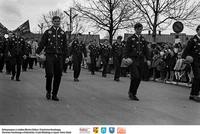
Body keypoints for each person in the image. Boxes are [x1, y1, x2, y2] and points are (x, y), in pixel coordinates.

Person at [36, 16, 68, 101]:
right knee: (49, 74)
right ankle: (48, 91)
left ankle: (55, 94)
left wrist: (67, 56)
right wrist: (37, 52)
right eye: (55, 21)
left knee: (58, 76)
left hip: (59, 56)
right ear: (52, 22)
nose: (57, 22)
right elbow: (42, 43)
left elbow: (65, 46)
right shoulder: (48, 32)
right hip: (50, 55)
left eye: (58, 21)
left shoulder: (63, 33)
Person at [124, 23, 150, 101]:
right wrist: (125, 58)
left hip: (141, 60)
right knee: (136, 76)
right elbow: (126, 49)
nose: (140, 31)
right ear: (135, 29)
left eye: (141, 29)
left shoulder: (143, 39)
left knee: (139, 78)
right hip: (133, 60)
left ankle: (132, 92)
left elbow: (147, 50)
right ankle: (132, 93)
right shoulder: (130, 39)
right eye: (138, 29)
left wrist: (148, 59)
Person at [182, 25, 200, 102]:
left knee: (198, 78)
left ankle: (192, 94)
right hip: (194, 61)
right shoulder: (193, 40)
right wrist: (185, 58)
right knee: (198, 76)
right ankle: (195, 94)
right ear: (197, 30)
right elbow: (186, 50)